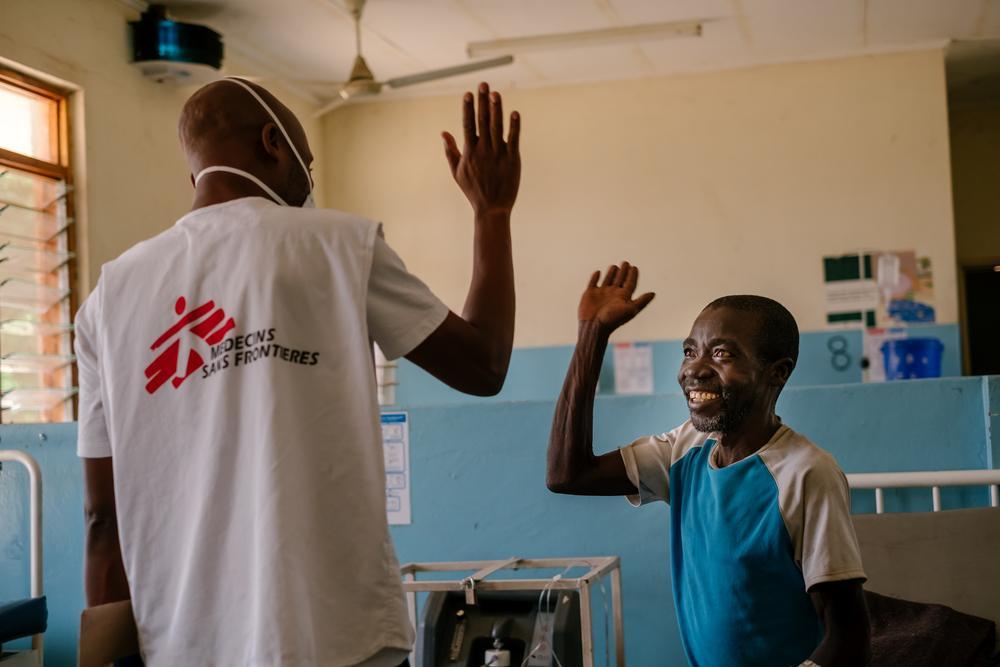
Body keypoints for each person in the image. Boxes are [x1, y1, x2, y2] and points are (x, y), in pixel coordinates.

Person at [77, 78, 521, 666]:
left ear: (196, 179)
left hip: (183, 648)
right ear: (273, 144)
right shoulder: (339, 245)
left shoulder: (108, 299)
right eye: (307, 163)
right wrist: (491, 212)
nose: (309, 183)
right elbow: (482, 365)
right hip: (338, 640)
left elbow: (102, 519)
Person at [546, 262, 871, 667]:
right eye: (689, 351)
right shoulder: (686, 449)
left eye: (721, 354)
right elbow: (567, 474)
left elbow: (849, 638)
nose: (695, 370)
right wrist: (592, 336)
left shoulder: (805, 473)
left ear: (777, 373)